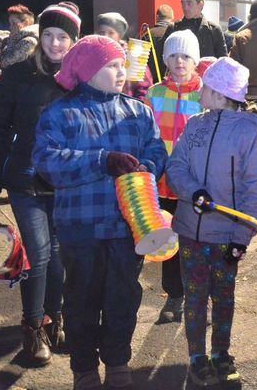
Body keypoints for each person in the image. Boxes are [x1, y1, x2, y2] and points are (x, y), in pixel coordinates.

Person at [32, 35, 167, 390]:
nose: (121, 72)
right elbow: (47, 162)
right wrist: (101, 161)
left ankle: (117, 361)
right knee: (81, 301)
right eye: (112, 66)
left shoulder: (138, 112)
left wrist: (148, 166)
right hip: (81, 227)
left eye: (123, 65)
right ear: (88, 71)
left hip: (127, 226)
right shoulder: (60, 113)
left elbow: (156, 149)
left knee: (123, 298)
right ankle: (84, 367)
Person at [0, 2, 81, 367]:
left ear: (73, 41)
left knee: (58, 254)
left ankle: (54, 318)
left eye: (62, 37)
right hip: (25, 179)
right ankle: (32, 328)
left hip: (64, 182)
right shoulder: (18, 75)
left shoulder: (79, 78)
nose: (54, 43)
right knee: (38, 254)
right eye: (48, 34)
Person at [166, 57, 257, 387]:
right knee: (195, 297)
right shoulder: (194, 125)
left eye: (204, 87)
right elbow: (176, 166)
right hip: (190, 232)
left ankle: (221, 352)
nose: (199, 93)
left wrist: (242, 236)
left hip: (228, 236)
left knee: (224, 296)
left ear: (218, 93)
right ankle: (197, 355)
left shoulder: (250, 134)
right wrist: (192, 191)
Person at [144, 30, 203, 324]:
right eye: (174, 56)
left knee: (195, 241)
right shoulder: (154, 94)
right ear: (166, 60)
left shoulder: (205, 94)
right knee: (168, 242)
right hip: (161, 184)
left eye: (186, 56)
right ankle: (174, 295)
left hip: (193, 183)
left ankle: (199, 296)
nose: (180, 62)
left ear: (195, 61)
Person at [96, 11, 153, 101]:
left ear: (119, 35)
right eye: (102, 32)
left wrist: (137, 106)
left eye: (111, 33)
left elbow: (144, 89)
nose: (106, 36)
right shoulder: (93, 56)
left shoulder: (133, 57)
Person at [163, 0, 227, 59]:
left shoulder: (214, 30)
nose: (185, 7)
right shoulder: (174, 28)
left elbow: (223, 61)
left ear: (200, 4)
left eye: (189, 3)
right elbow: (163, 57)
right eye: (183, 3)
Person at [0, 4, 39, 70]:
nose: (10, 27)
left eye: (13, 23)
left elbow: (4, 63)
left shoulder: (28, 41)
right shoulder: (21, 39)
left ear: (26, 23)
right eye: (10, 24)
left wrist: (9, 41)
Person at [145, 4, 174, 82]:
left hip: (150, 80)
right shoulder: (174, 35)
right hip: (169, 81)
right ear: (172, 18)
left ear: (157, 17)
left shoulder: (147, 34)